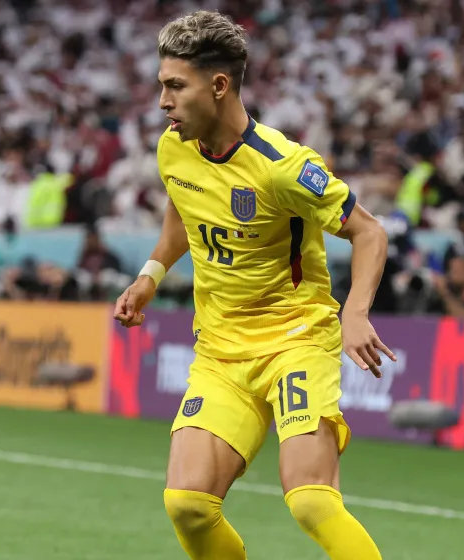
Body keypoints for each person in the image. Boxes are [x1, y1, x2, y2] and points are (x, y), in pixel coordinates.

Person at [113, 11, 392, 560]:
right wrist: (151, 275)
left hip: (295, 342)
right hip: (220, 352)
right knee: (188, 504)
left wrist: (355, 312)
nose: (163, 101)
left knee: (311, 502)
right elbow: (183, 209)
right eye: (161, 86)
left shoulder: (282, 167)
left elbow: (369, 232)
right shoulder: (175, 147)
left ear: (218, 86)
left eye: (175, 86)